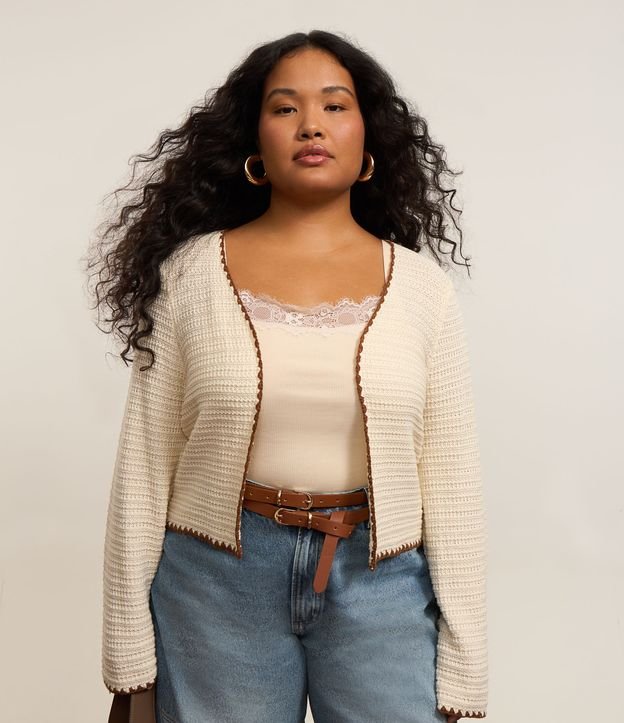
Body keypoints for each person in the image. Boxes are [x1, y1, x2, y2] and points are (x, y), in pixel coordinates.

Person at [87, 29, 488, 723]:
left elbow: (451, 482)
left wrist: (467, 667)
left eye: (335, 105)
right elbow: (145, 465)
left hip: (382, 577)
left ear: (368, 138)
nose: (311, 125)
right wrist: (127, 655)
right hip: (215, 579)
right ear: (255, 141)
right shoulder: (190, 275)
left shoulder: (423, 290)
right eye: (284, 107)